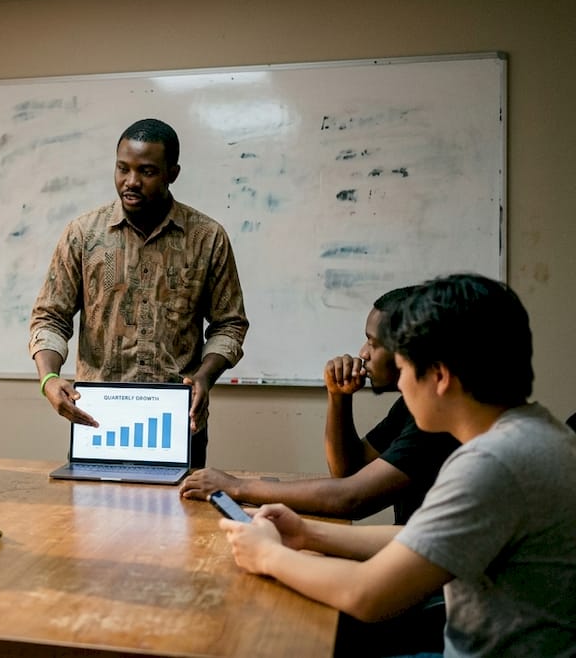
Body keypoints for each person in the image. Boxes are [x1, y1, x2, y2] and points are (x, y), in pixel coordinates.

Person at [220, 274, 576, 657]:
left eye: (404, 369)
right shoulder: (537, 433)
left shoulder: (493, 464)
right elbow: (421, 536)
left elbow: (367, 594)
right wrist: (305, 534)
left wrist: (268, 556)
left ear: (440, 376)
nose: (401, 385)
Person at [29, 118, 249, 466]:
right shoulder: (83, 235)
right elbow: (50, 317)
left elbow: (229, 324)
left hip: (179, 422)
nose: (131, 182)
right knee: (90, 521)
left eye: (146, 171)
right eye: (122, 169)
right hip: (98, 422)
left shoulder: (207, 238)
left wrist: (205, 377)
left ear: (171, 173)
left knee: (181, 520)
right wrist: (49, 379)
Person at [180, 286, 460, 524]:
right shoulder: (409, 408)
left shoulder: (437, 420)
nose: (363, 353)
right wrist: (339, 396)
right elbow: (348, 472)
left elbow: (352, 497)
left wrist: (237, 487)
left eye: (373, 343)